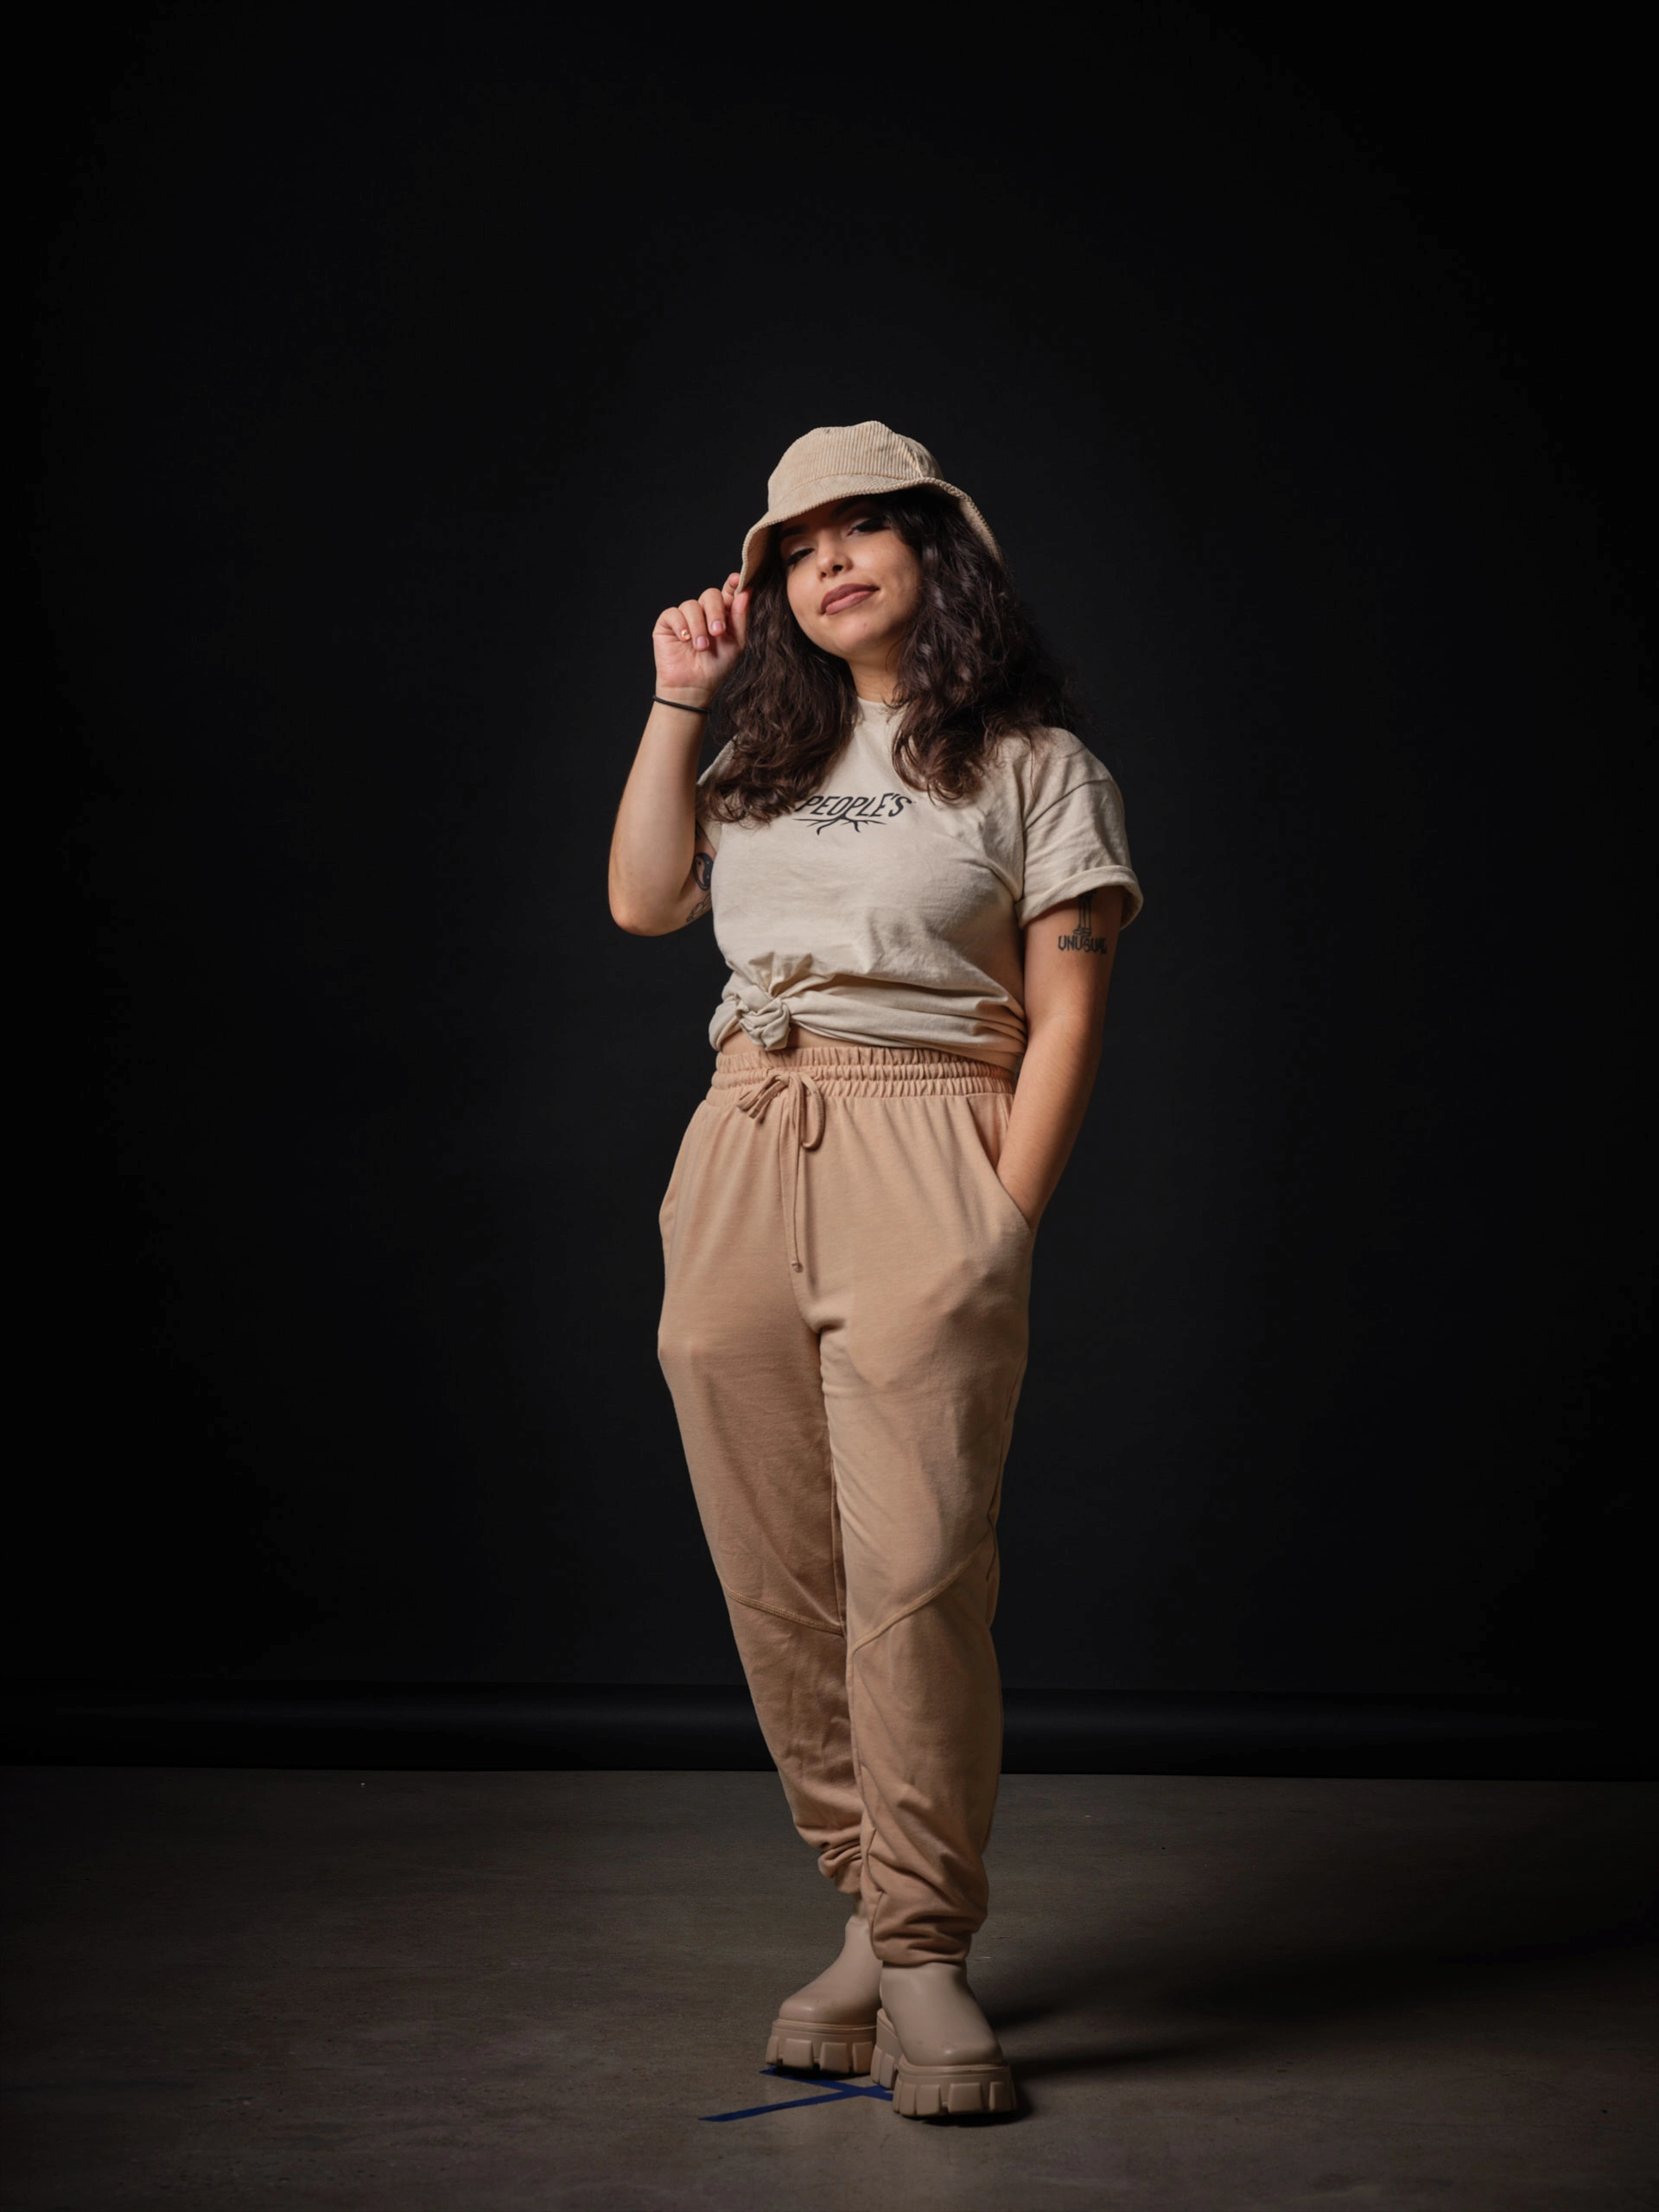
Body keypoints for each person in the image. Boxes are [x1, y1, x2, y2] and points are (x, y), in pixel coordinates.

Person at [608, 423, 1142, 2120]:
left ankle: (923, 1947)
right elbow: (638, 901)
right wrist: (677, 695)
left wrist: (1001, 1220)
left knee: (917, 1569)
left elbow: (1067, 1014)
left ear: (935, 549)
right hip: (746, 1136)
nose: (829, 561)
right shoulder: (755, 748)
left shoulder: (1037, 763)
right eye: (796, 543)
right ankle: (864, 1912)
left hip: (932, 1142)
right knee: (779, 1568)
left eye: (864, 529)